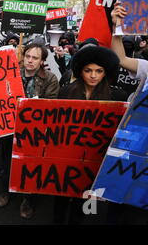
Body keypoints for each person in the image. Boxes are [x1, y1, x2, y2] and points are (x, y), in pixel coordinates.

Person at [54, 44, 125, 225]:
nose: (93, 75)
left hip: (95, 159)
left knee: (87, 201)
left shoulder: (117, 97)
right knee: (60, 198)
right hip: (68, 156)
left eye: (99, 71)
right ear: (80, 71)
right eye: (88, 70)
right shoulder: (65, 92)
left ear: (106, 72)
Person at [0, 43, 60, 218]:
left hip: (34, 134)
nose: (30, 61)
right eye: (28, 56)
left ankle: (28, 200)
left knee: (31, 167)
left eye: (35, 58)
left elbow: (51, 106)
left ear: (42, 61)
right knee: (7, 163)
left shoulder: (50, 79)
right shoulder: (11, 73)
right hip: (10, 130)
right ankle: (5, 191)